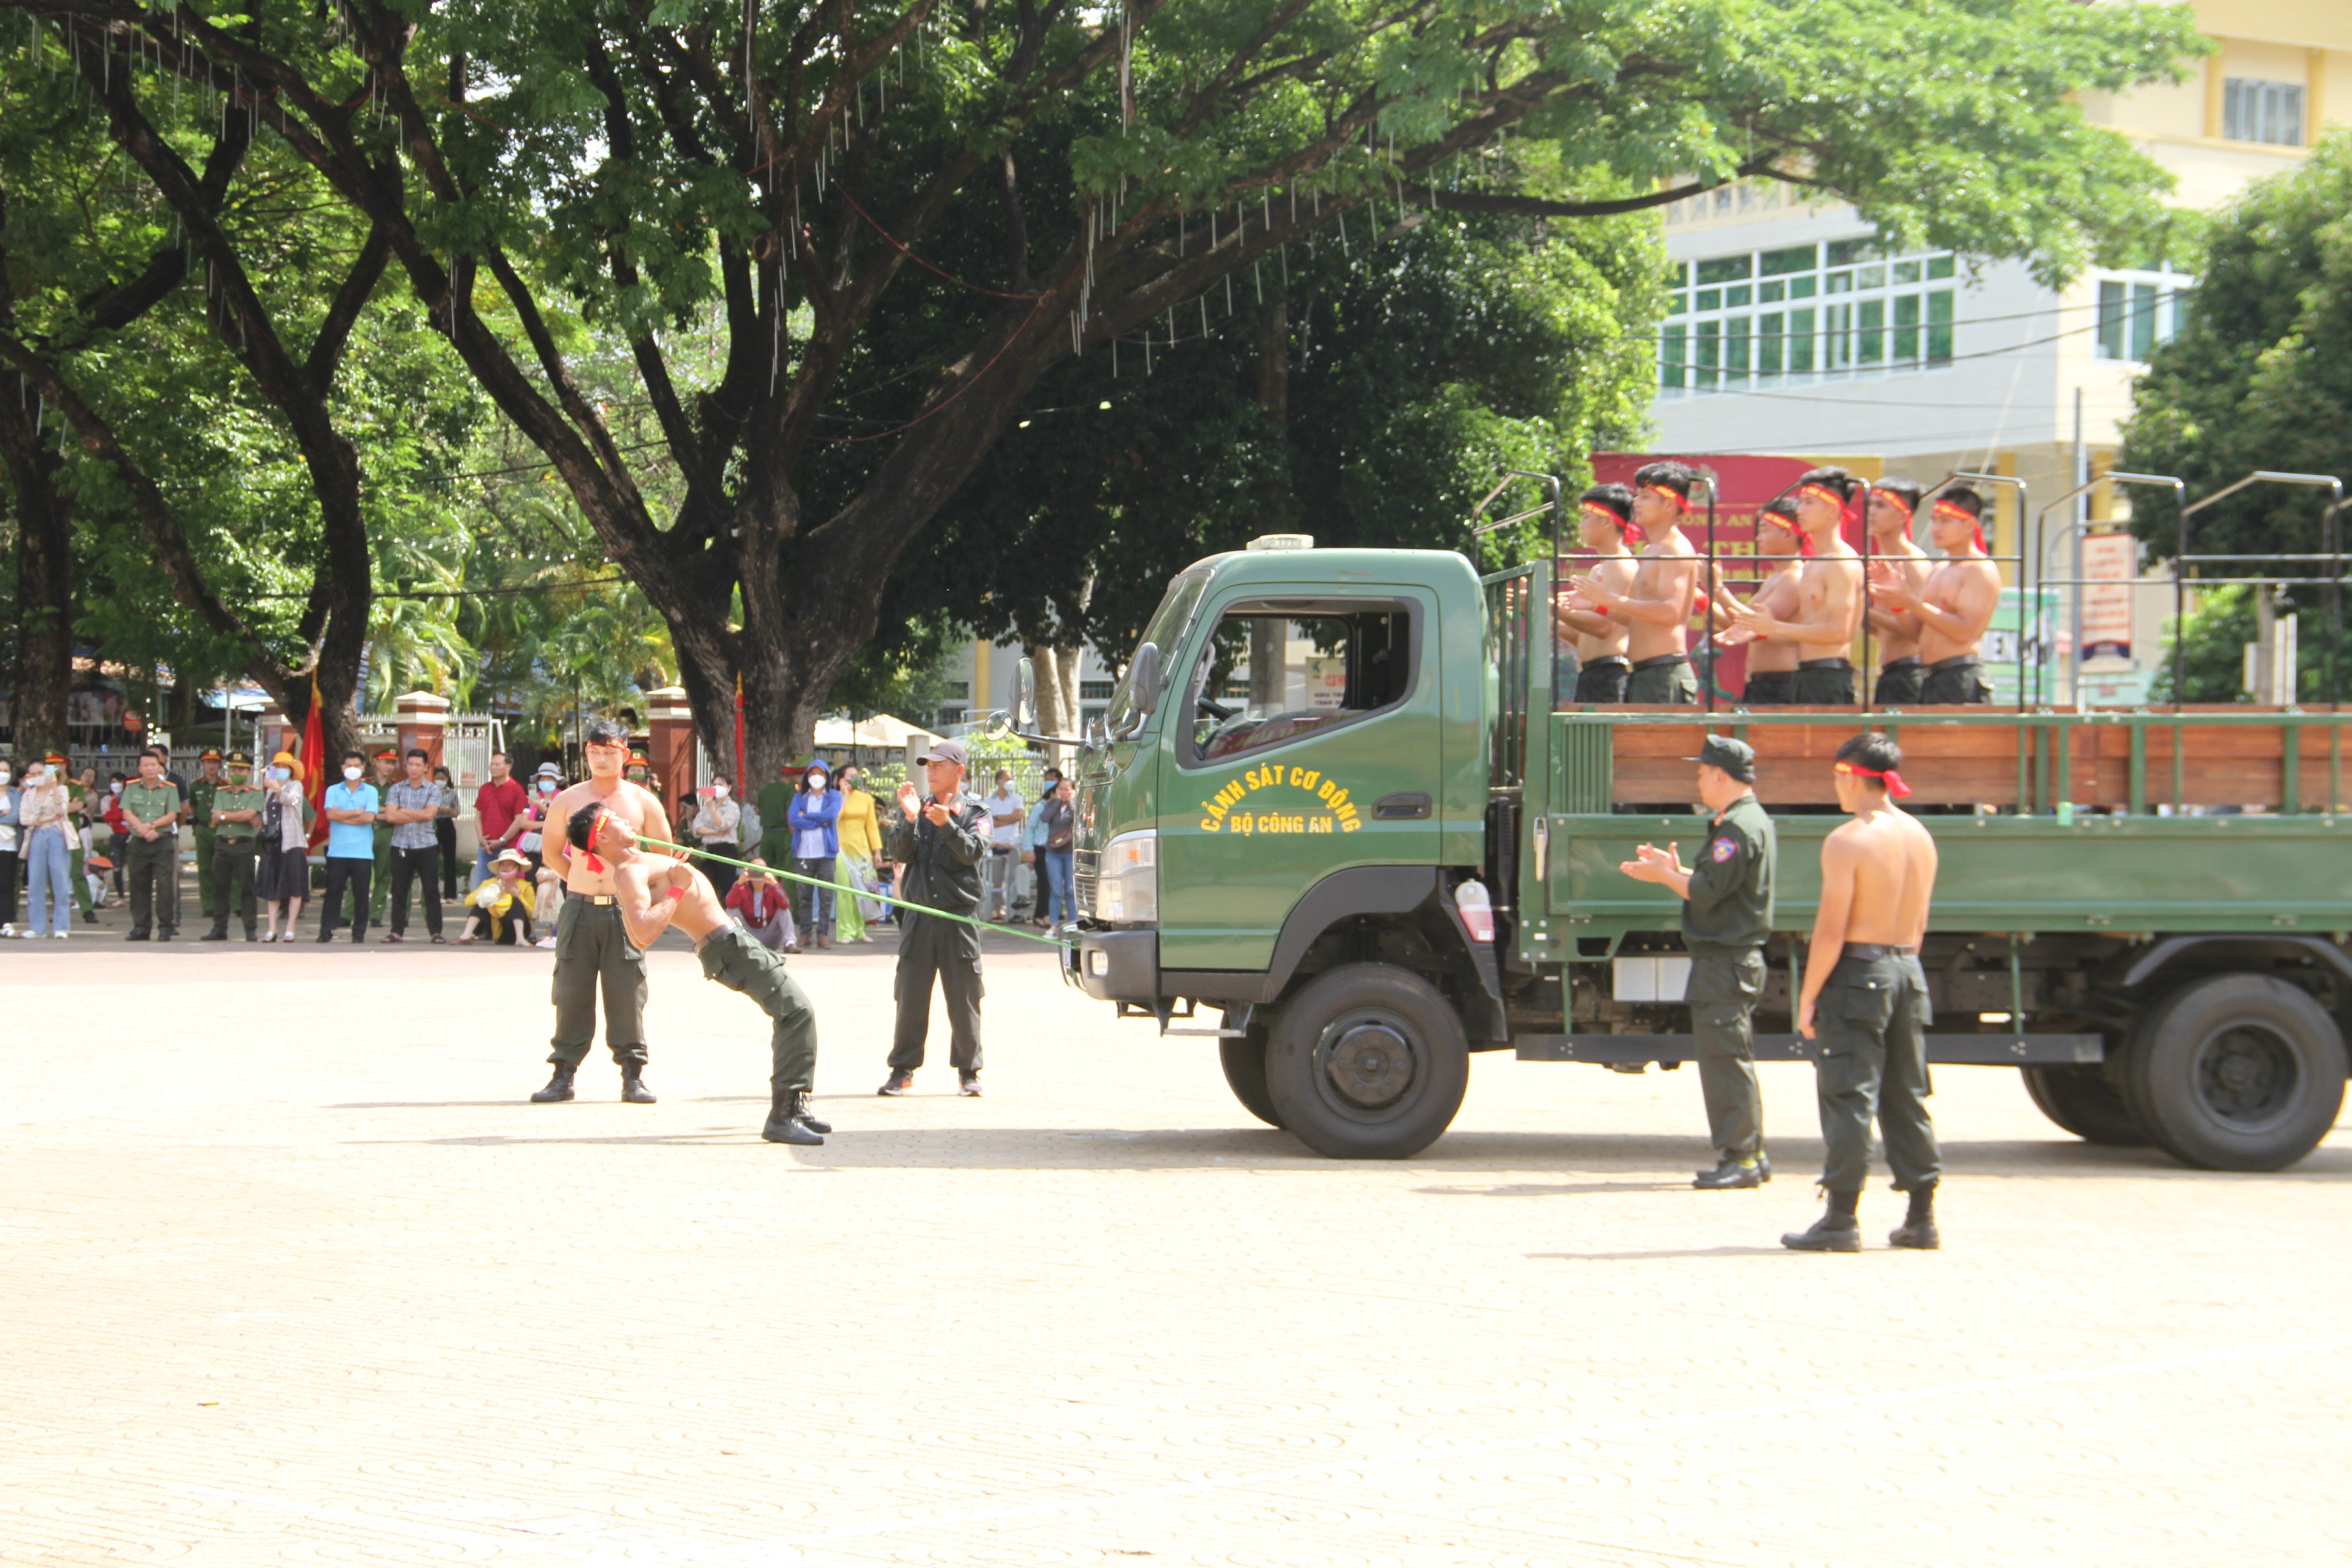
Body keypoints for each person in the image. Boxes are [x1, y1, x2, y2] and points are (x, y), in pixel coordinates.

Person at [1783, 732, 1944, 1253]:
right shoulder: (1920, 835)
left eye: (1836, 777)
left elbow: (1831, 930)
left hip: (1859, 974)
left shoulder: (1848, 839)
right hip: (1906, 968)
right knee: (1907, 1095)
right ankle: (1921, 1216)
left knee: (1850, 1095)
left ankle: (1840, 1219)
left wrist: (1808, 997)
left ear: (1851, 775)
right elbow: (1918, 922)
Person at [596, 805, 830, 1145]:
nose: (624, 817)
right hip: (728, 947)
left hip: (732, 940)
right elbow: (641, 934)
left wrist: (679, 872)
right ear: (602, 835)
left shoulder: (644, 860)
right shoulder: (629, 871)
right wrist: (677, 888)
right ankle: (782, 1117)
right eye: (614, 818)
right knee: (796, 1012)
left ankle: (795, 1107)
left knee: (793, 1012)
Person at [1617, 736, 1777, 1188]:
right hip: (1730, 961)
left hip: (1724, 962)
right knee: (1732, 1058)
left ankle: (1741, 1158)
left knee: (1724, 1061)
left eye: (1702, 773)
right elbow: (1718, 883)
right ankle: (1751, 1154)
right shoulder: (1746, 821)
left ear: (1721, 776)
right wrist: (1676, 870)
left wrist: (1665, 876)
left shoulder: (1736, 830)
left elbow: (1707, 894)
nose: (1698, 781)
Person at [530, 717, 674, 1106]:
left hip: (623, 909)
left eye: (609, 753)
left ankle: (632, 1074)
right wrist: (577, 881)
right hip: (578, 907)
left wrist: (641, 896)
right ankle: (563, 1074)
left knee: (627, 991)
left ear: (624, 754)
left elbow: (664, 857)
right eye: (595, 752)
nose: (601, 760)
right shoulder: (568, 799)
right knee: (571, 990)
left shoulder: (643, 801)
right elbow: (551, 853)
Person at [879, 739, 990, 1098]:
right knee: (909, 996)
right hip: (919, 918)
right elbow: (898, 852)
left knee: (964, 998)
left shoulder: (975, 811)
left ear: (959, 770)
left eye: (939, 765)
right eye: (928, 765)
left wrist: (948, 826)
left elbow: (972, 851)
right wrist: (910, 819)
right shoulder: (917, 808)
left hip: (959, 919)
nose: (931, 771)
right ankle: (902, 1069)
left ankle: (968, 1072)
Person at [1565, 461, 1705, 702]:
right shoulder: (1652, 549)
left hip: (1664, 673)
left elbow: (1669, 613)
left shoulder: (1675, 549)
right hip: (1645, 673)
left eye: (1645, 497)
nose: (1636, 503)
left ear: (1669, 505)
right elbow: (1638, 620)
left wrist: (1610, 599)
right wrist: (1597, 606)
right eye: (1638, 496)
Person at [1727, 466, 1868, 704]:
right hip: (1803, 674)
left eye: (1809, 503)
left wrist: (1775, 628)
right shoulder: (1814, 564)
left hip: (1829, 677)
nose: (1800, 510)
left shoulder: (1841, 563)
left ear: (1832, 510)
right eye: (1801, 502)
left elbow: (1838, 632)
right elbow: (1804, 635)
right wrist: (1764, 629)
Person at [1869, 485, 2002, 705]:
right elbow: (1916, 634)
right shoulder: (1940, 569)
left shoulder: (1980, 570)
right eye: (1934, 520)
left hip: (1959, 677)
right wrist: (1898, 605)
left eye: (1945, 521)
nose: (1936, 528)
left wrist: (1911, 602)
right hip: (1930, 678)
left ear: (1970, 525)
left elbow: (1964, 631)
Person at [1555, 485, 1644, 703]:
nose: (1580, 525)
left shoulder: (1621, 565)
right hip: (1594, 673)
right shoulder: (1601, 568)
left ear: (1606, 522)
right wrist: (1545, 615)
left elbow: (1603, 627)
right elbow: (1584, 637)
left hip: (1609, 674)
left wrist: (1552, 608)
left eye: (1586, 518)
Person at [1712, 498, 1806, 705]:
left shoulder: (1794, 577)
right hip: (1761, 683)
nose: (1758, 538)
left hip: (1781, 684)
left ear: (1788, 534)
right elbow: (1736, 625)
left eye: (1764, 531)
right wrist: (1699, 597)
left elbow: (1753, 624)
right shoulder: (1775, 578)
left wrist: (1718, 588)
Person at [1863, 478, 1932, 704]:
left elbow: (1917, 633)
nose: (1871, 512)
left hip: (1908, 672)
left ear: (1903, 516)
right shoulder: (1879, 561)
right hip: (1888, 673)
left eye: (1880, 506)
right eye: (1870, 505)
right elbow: (1881, 629)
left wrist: (1867, 612)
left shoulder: (1914, 563)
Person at [380, 748, 447, 943]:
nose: (414, 768)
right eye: (411, 764)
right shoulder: (396, 789)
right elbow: (391, 816)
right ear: (406, 766)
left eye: (419, 765)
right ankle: (396, 931)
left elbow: (429, 815)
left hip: (426, 845)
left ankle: (436, 931)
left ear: (426, 767)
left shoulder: (433, 790)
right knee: (399, 889)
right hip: (401, 845)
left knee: (431, 890)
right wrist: (415, 812)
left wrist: (404, 811)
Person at [119, 748, 184, 941]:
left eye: (153, 765)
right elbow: (126, 812)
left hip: (162, 841)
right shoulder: (131, 787)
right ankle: (141, 927)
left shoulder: (170, 788)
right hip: (139, 841)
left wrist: (152, 826)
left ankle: (166, 926)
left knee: (166, 887)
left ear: (160, 767)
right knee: (138, 885)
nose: (149, 769)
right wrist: (141, 828)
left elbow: (173, 814)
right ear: (140, 768)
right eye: (145, 765)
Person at [317, 751, 380, 943]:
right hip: (338, 851)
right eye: (349, 765)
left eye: (356, 765)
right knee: (333, 892)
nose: (352, 769)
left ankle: (359, 932)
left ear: (363, 768)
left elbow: (369, 818)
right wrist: (356, 813)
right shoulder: (333, 790)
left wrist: (343, 815)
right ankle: (326, 930)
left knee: (361, 894)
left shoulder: (371, 791)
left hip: (362, 852)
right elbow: (330, 816)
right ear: (342, 768)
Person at [202, 750, 264, 941]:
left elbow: (250, 815)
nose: (237, 772)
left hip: (243, 845)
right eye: (234, 769)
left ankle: (250, 929)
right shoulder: (221, 792)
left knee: (247, 889)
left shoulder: (255, 793)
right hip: (222, 845)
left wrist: (225, 816)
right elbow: (215, 816)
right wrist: (236, 815)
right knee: (221, 889)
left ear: (248, 773)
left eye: (242, 770)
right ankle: (219, 929)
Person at [16, 754, 74, 939]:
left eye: (40, 772)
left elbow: (62, 810)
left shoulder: (62, 789)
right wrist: (45, 818)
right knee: (35, 882)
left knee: (60, 880)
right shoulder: (28, 794)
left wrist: (54, 787)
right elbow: (25, 819)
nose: (36, 776)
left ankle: (61, 926)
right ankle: (37, 927)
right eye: (32, 774)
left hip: (57, 834)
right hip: (36, 836)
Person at [255, 753, 311, 941]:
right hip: (273, 843)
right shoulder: (270, 791)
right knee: (271, 886)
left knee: (295, 886)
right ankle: (271, 928)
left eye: (283, 767)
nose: (279, 770)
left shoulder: (295, 786)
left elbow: (290, 800)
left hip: (292, 842)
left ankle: (291, 928)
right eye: (276, 767)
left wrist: (277, 788)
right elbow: (266, 813)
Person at [786, 760, 841, 951]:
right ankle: (805, 933)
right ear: (807, 778)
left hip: (826, 854)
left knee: (826, 896)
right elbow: (794, 819)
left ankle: (823, 935)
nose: (816, 777)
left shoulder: (834, 796)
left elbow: (831, 815)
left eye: (821, 774)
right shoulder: (799, 798)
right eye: (812, 774)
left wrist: (806, 817)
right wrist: (817, 819)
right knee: (804, 895)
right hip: (804, 853)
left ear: (827, 777)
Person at [832, 763, 882, 944]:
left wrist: (877, 851)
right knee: (845, 891)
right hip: (841, 850)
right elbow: (833, 818)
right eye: (850, 775)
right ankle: (846, 930)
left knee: (864, 891)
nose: (855, 778)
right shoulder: (834, 797)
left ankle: (861, 929)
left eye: (856, 775)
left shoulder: (866, 799)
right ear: (841, 779)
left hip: (862, 851)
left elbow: (871, 825)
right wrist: (843, 796)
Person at [455, 847, 537, 945]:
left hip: (515, 930)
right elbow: (468, 901)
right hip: (494, 929)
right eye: (502, 865)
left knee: (516, 901)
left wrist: (519, 896)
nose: (505, 868)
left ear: (517, 868)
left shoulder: (525, 886)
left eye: (509, 865)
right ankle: (466, 936)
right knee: (483, 901)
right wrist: (490, 893)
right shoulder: (490, 883)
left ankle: (520, 939)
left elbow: (533, 915)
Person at [473, 751, 530, 887]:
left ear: (508, 767)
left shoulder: (517, 790)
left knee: (506, 889)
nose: (493, 767)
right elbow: (478, 816)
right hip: (486, 848)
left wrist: (502, 840)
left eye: (497, 764)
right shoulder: (485, 789)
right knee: (481, 888)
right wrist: (481, 839)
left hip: (507, 849)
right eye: (492, 764)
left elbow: (518, 821)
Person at [690, 771, 744, 903]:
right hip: (709, 849)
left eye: (720, 785)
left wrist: (711, 807)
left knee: (726, 887)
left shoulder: (733, 807)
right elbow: (697, 828)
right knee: (707, 885)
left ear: (729, 787)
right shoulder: (706, 807)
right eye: (714, 785)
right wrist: (715, 833)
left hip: (725, 849)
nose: (716, 787)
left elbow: (723, 825)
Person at [980, 767, 1025, 921]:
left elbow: (1018, 816)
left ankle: (1013, 912)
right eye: (1007, 779)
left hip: (1012, 845)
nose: (1010, 782)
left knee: (1013, 879)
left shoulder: (1017, 798)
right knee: (995, 880)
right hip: (994, 845)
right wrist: (1006, 819)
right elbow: (986, 823)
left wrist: (997, 818)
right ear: (999, 782)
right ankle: (998, 909)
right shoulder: (988, 801)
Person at [724, 859, 797, 952]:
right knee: (731, 911)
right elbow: (730, 904)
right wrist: (739, 883)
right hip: (748, 936)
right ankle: (729, 944)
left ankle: (790, 943)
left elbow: (785, 904)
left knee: (784, 911)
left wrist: (774, 883)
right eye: (754, 871)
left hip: (770, 936)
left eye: (760, 871)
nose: (757, 875)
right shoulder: (743, 888)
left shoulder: (772, 888)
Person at [187, 748, 224, 925]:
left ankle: (230, 903)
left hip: (220, 829)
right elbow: (192, 807)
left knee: (225, 868)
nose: (211, 766)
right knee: (205, 868)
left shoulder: (225, 785)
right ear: (203, 765)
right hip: (203, 829)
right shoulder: (196, 785)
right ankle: (208, 905)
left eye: (215, 763)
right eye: (208, 763)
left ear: (220, 765)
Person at [366, 747, 400, 924]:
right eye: (386, 762)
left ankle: (376, 914)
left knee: (384, 874)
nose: (389, 767)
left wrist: (375, 811)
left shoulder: (395, 788)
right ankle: (350, 913)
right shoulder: (366, 785)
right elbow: (361, 810)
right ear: (376, 762)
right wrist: (382, 811)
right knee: (360, 873)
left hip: (387, 832)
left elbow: (395, 814)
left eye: (393, 763)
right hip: (366, 831)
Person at [1038, 777, 1077, 928]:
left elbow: (1078, 819)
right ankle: (1053, 925)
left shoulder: (1074, 806)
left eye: (1067, 789)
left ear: (1073, 791)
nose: (1064, 793)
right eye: (1061, 789)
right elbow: (1044, 818)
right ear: (1056, 791)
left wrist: (1072, 803)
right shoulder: (1051, 804)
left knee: (1070, 889)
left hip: (1069, 851)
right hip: (1053, 852)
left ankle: (1074, 923)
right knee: (1055, 890)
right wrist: (1056, 803)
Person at [755, 763, 798, 868]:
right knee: (782, 868)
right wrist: (794, 835)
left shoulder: (766, 789)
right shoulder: (790, 790)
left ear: (780, 775)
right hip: (782, 835)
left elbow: (757, 810)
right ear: (793, 777)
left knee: (765, 867)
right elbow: (789, 814)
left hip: (766, 834)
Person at [433, 764, 461, 901]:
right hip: (433, 825)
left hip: (448, 825)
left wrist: (449, 810)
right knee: (432, 860)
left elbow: (457, 812)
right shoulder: (430, 791)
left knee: (449, 860)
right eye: (437, 778)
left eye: (442, 779)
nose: (440, 781)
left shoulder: (452, 792)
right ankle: (431, 892)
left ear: (447, 779)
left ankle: (450, 894)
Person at [0, 754, 20, 938]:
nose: (2, 774)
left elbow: (15, 817)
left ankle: (6, 921)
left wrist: (8, 815)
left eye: (6, 771)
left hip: (8, 846)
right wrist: (2, 813)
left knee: (6, 884)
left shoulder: (15, 794)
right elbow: (8, 816)